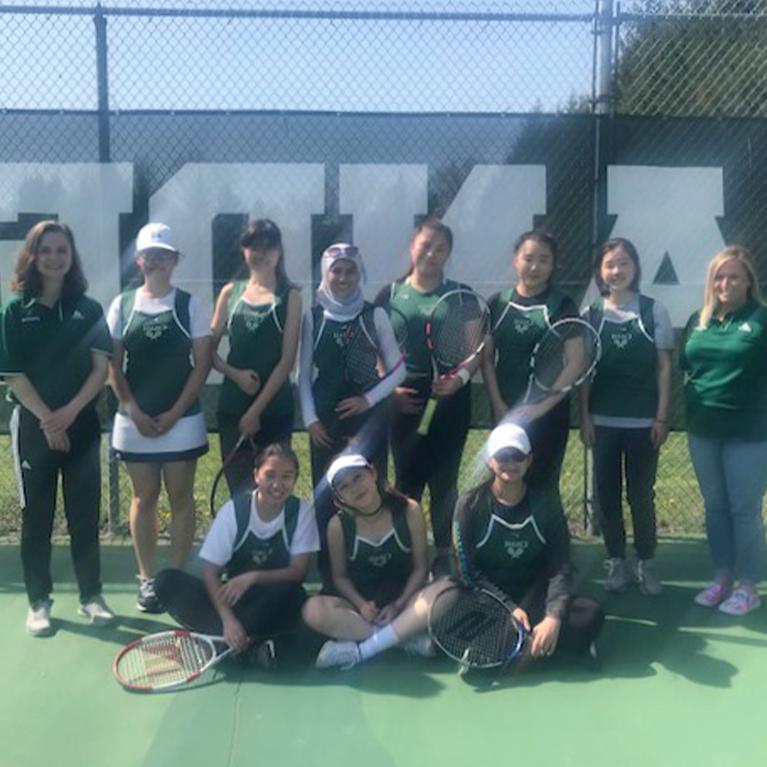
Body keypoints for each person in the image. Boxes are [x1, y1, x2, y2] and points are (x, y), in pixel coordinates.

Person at [0, 221, 115, 635]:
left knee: (85, 517)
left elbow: (100, 370)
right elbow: (13, 376)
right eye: (45, 250)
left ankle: (91, 596)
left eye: (61, 250)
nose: (54, 258)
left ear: (72, 257)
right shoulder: (14, 309)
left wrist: (68, 413)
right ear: (32, 256)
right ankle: (38, 602)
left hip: (80, 427)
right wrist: (49, 419)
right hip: (33, 429)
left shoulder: (89, 309)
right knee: (38, 520)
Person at [107, 223, 212, 613]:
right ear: (139, 260)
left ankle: (177, 578)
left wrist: (174, 413)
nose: (157, 260)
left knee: (181, 498)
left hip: (182, 422)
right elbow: (113, 369)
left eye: (164, 254)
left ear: (174, 260)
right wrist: (134, 411)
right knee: (143, 498)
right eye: (150, 254)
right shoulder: (122, 304)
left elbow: (201, 367)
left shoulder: (190, 305)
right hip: (134, 424)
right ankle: (148, 580)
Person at [375, 218, 478, 575]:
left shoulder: (461, 295)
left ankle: (443, 555)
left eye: (440, 248)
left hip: (450, 399)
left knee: (444, 480)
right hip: (404, 403)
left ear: (448, 254)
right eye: (426, 245)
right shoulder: (388, 295)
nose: (432, 253)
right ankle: (409, 552)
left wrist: (459, 379)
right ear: (412, 245)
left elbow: (475, 348)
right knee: (406, 481)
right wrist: (391, 391)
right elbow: (377, 351)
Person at [155, 443, 319, 664]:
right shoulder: (234, 511)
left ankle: (223, 645)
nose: (278, 484)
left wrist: (251, 577)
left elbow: (298, 572)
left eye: (287, 476)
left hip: (275, 598)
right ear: (256, 476)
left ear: (296, 479)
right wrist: (228, 620)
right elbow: (210, 572)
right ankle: (242, 644)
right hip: (234, 600)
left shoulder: (301, 512)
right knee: (166, 582)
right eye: (270, 475)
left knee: (294, 596)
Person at [453, 423, 604, 661]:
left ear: (529, 459)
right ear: (490, 460)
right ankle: (548, 648)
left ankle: (516, 647)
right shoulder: (469, 505)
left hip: (537, 598)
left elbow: (560, 563)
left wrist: (553, 616)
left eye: (518, 456)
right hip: (491, 599)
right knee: (450, 615)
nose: (511, 463)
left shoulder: (547, 502)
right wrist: (508, 608)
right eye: (503, 456)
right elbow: (467, 572)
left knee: (590, 614)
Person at [298, 243, 405, 577]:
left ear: (360, 274)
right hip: (325, 422)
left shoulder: (375, 314)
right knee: (328, 493)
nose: (343, 277)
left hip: (368, 420)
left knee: (371, 488)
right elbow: (303, 376)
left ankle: (377, 561)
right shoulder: (312, 317)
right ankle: (332, 567)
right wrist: (311, 420)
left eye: (350, 271)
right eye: (336, 271)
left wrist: (368, 400)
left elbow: (398, 371)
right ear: (325, 275)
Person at [579, 238, 673, 596]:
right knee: (607, 496)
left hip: (643, 425)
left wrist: (661, 418)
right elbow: (585, 372)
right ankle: (616, 561)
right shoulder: (592, 315)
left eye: (623, 264)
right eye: (609, 265)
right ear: (600, 272)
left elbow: (664, 369)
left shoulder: (654, 311)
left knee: (641, 495)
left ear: (635, 269)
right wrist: (585, 417)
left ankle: (645, 562)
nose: (616, 271)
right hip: (603, 423)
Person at [302, 454, 450, 670]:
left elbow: (420, 568)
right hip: (360, 609)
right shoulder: (338, 525)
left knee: (446, 591)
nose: (355, 488)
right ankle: (403, 638)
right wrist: (362, 606)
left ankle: (361, 649)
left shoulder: (410, 510)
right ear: (339, 497)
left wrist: (397, 604)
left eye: (358, 477)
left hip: (403, 601)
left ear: (372, 473)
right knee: (312, 609)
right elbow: (340, 577)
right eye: (344, 486)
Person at [681, 245, 767, 616]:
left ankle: (749, 585)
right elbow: (688, 367)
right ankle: (722, 577)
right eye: (719, 276)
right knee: (715, 508)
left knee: (743, 510)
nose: (725, 283)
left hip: (749, 434)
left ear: (749, 280)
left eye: (733, 276)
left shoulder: (762, 320)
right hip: (703, 431)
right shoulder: (698, 321)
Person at [482, 231, 579, 494]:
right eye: (529, 258)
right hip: (506, 413)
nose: (535, 266)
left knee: (544, 487)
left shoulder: (563, 305)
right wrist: (499, 404)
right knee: (505, 485)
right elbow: (487, 360)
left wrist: (541, 408)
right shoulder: (497, 304)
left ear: (553, 265)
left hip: (550, 416)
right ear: (516, 261)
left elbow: (575, 362)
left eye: (543, 260)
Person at [211, 219, 302, 495]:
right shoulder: (230, 292)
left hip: (275, 411)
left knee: (273, 492)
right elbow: (207, 353)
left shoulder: (291, 296)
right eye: (254, 246)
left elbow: (287, 361)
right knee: (240, 494)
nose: (262, 253)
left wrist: (255, 412)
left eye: (269, 246)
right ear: (244, 250)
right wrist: (234, 375)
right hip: (232, 411)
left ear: (279, 251)